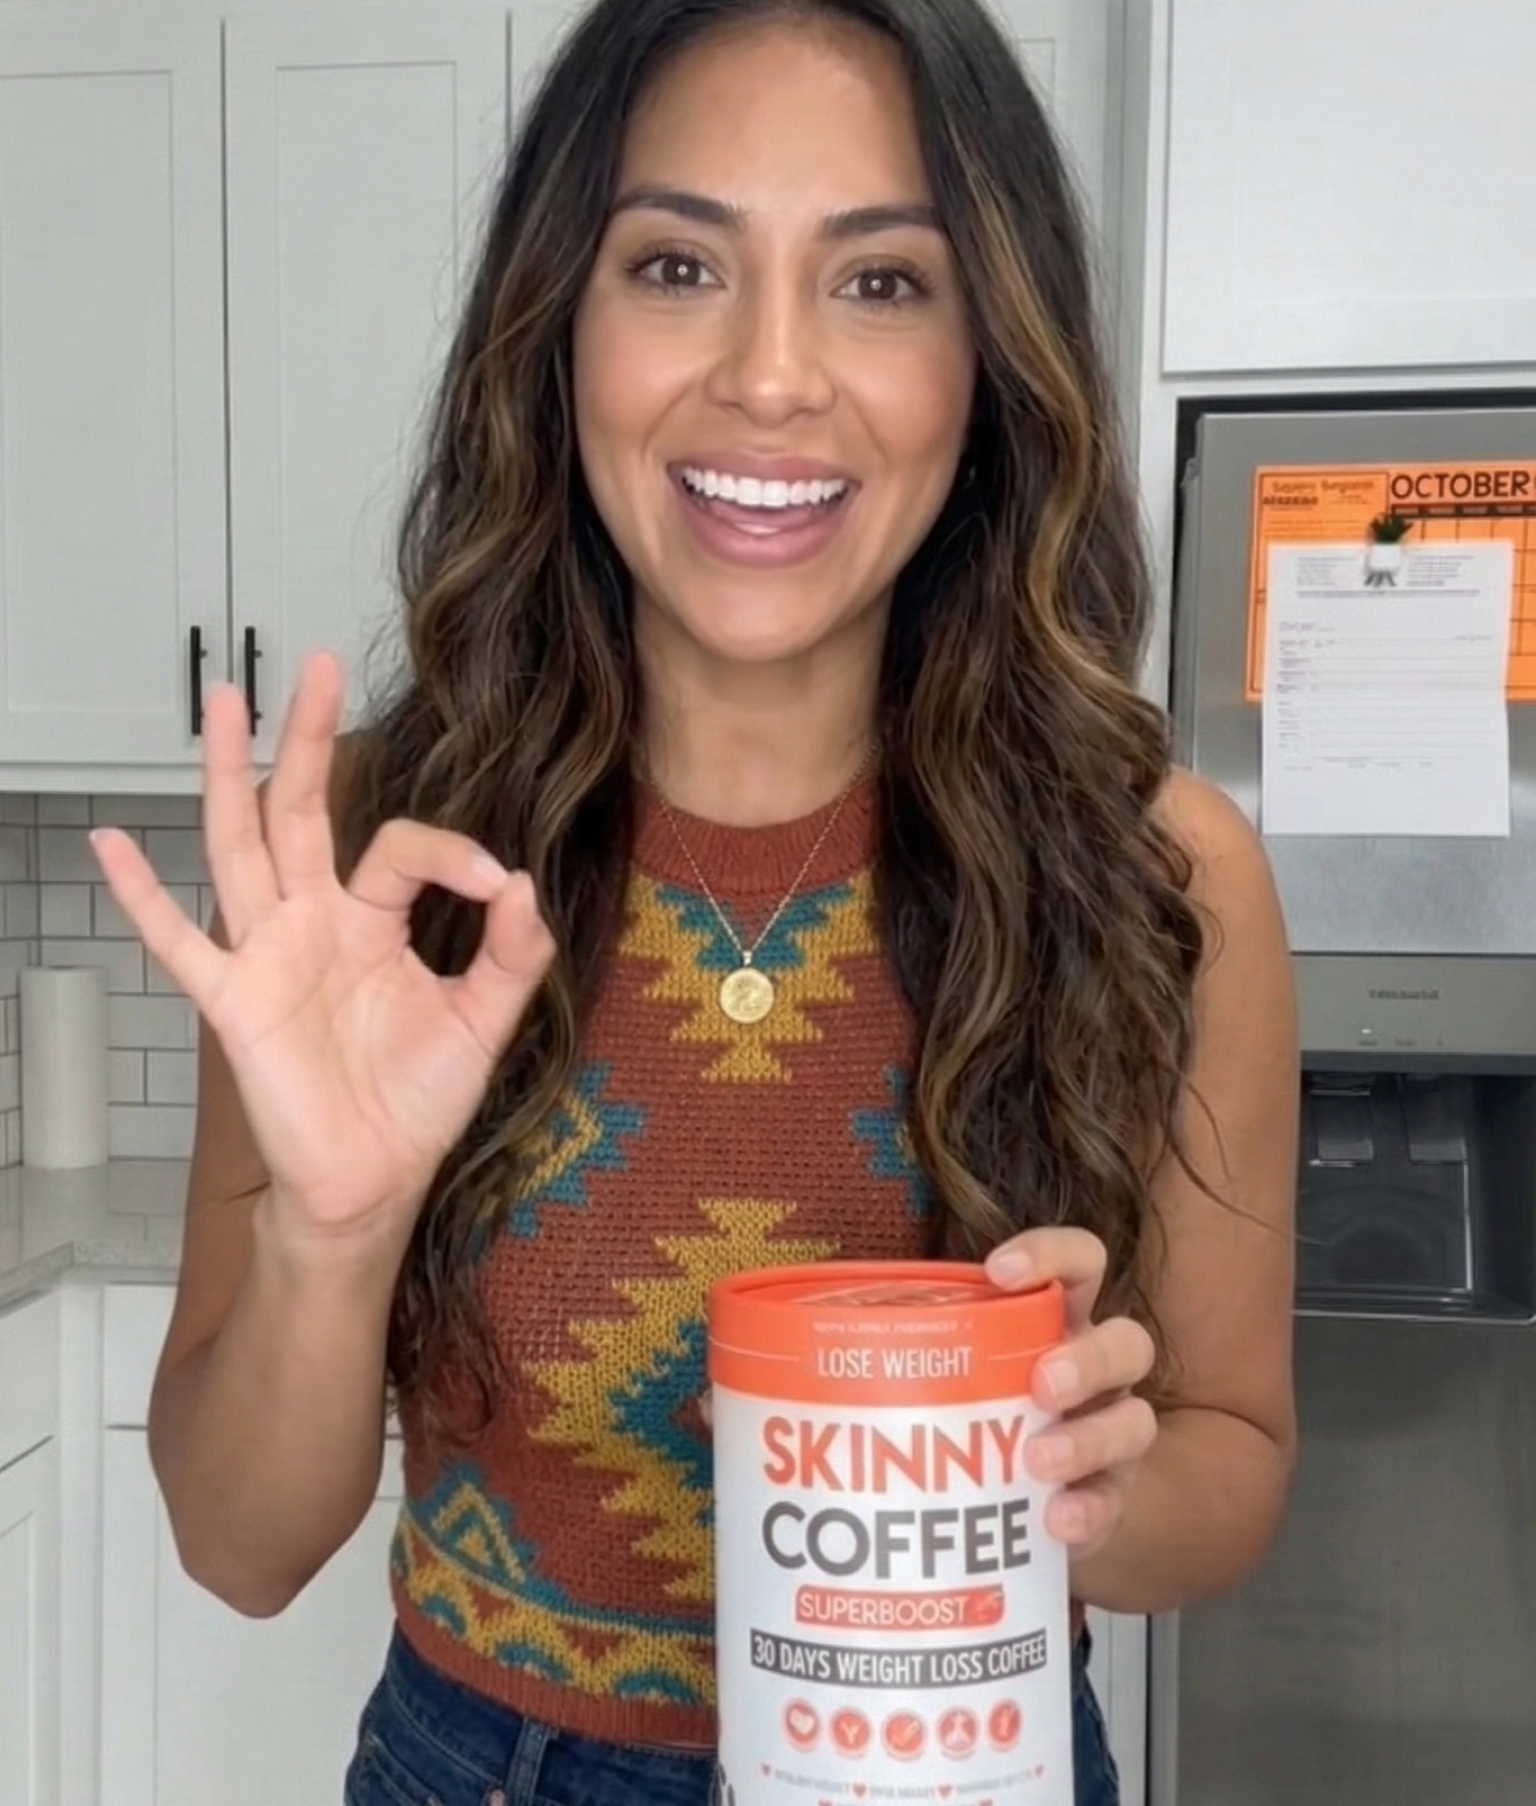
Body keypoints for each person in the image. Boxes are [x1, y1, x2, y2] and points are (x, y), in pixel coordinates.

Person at [91, 0, 1299, 1801]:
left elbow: (1235, 1458)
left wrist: (1086, 1492)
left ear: (989, 361)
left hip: (965, 1753)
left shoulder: (1160, 871)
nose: (770, 375)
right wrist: (332, 1243)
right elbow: (242, 1546)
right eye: (675, 263)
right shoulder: (373, 868)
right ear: (557, 329)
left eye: (882, 283)